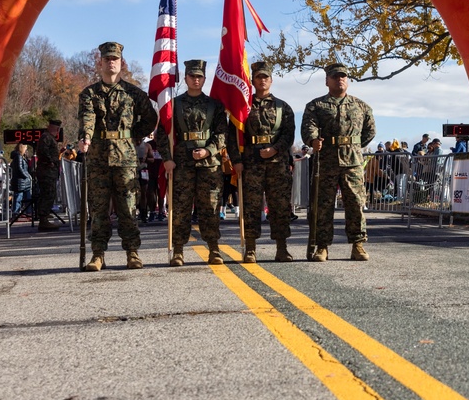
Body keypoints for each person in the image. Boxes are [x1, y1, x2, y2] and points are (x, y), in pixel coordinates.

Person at [78, 42, 158, 271]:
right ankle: (98, 254)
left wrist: (134, 137)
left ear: (121, 63)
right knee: (99, 210)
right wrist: (85, 138)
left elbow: (151, 119)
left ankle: (132, 252)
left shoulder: (133, 93)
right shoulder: (89, 94)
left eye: (115, 59)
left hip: (125, 159)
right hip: (98, 158)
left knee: (128, 208)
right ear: (100, 63)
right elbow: (87, 119)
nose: (111, 62)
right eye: (107, 59)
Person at [155, 59, 228, 267]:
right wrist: (167, 160)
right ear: (185, 78)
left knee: (210, 207)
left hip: (209, 165)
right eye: (192, 76)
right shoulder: (174, 104)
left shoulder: (215, 105)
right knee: (180, 208)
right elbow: (163, 134)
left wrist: (209, 150)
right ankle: (178, 250)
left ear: (204, 79)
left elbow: (222, 133)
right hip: (182, 164)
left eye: (199, 76)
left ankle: (214, 249)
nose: (196, 80)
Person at [301, 62, 376, 262]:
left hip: (352, 163)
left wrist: (352, 146)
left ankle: (357, 245)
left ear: (347, 80)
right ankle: (322, 246)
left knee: (355, 203)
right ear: (327, 81)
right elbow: (308, 128)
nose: (339, 79)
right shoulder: (316, 106)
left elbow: (370, 132)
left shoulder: (360, 106)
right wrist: (313, 140)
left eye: (342, 76)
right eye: (335, 76)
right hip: (326, 162)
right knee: (323, 205)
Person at [227, 61, 296, 263]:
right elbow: (233, 136)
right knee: (251, 206)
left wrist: (274, 149)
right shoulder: (242, 107)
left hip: (278, 163)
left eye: (266, 77)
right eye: (258, 77)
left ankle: (282, 248)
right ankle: (250, 248)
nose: (262, 80)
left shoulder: (284, 107)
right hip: (250, 163)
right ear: (252, 80)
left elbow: (288, 134)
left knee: (280, 206)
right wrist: (236, 161)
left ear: (271, 80)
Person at [34, 119, 62, 232]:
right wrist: (49, 162)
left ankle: (45, 215)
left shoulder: (49, 138)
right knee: (48, 194)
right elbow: (43, 151)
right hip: (47, 171)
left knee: (49, 193)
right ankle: (43, 219)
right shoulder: (46, 137)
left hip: (49, 171)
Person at [9, 143, 32, 217]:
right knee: (18, 197)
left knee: (27, 197)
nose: (26, 150)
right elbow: (19, 168)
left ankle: (28, 212)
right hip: (20, 181)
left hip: (23, 181)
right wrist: (27, 176)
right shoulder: (18, 157)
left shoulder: (22, 157)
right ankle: (16, 212)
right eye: (25, 148)